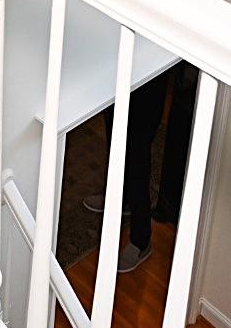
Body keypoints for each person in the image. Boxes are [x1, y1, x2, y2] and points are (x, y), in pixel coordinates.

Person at [82, 61, 199, 272]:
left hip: (149, 76)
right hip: (119, 68)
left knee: (137, 154)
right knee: (114, 137)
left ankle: (141, 239)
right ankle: (122, 199)